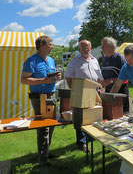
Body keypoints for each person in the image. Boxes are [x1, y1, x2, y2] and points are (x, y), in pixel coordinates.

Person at [21, 35, 62, 167]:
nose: (52, 46)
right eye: (50, 44)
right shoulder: (31, 61)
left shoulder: (50, 60)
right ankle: (43, 160)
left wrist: (57, 75)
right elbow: (24, 80)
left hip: (51, 95)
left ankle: (46, 152)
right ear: (42, 45)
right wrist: (43, 81)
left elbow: (51, 75)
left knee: (51, 125)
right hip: (39, 97)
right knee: (43, 128)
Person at [65, 40, 103, 151]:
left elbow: (99, 76)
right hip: (80, 94)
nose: (86, 49)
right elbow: (68, 77)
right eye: (83, 47)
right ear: (79, 49)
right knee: (80, 119)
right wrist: (75, 91)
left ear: (90, 48)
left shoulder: (94, 60)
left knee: (92, 116)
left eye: (87, 47)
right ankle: (81, 143)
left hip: (94, 92)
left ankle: (91, 139)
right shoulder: (74, 61)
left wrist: (100, 85)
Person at [100, 37, 129, 113]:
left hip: (120, 92)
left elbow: (126, 77)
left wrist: (111, 80)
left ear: (112, 46)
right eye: (101, 46)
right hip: (108, 91)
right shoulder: (104, 59)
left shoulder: (119, 58)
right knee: (109, 114)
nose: (101, 48)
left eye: (104, 46)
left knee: (122, 114)